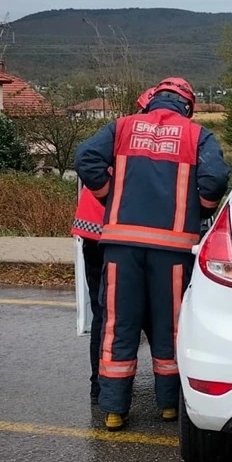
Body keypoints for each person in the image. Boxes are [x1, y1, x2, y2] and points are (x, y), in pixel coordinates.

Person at [75, 77, 229, 431]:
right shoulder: (196, 134)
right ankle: (168, 407)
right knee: (170, 326)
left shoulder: (123, 126)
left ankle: (114, 410)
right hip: (172, 250)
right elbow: (216, 177)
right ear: (186, 105)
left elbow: (86, 157)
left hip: (120, 247)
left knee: (117, 325)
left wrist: (108, 194)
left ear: (152, 99)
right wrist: (201, 208)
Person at [70, 86, 163, 405]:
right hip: (119, 233)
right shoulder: (157, 139)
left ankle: (103, 386)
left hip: (97, 230)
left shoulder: (118, 131)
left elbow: (87, 161)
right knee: (153, 310)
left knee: (105, 313)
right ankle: (166, 390)